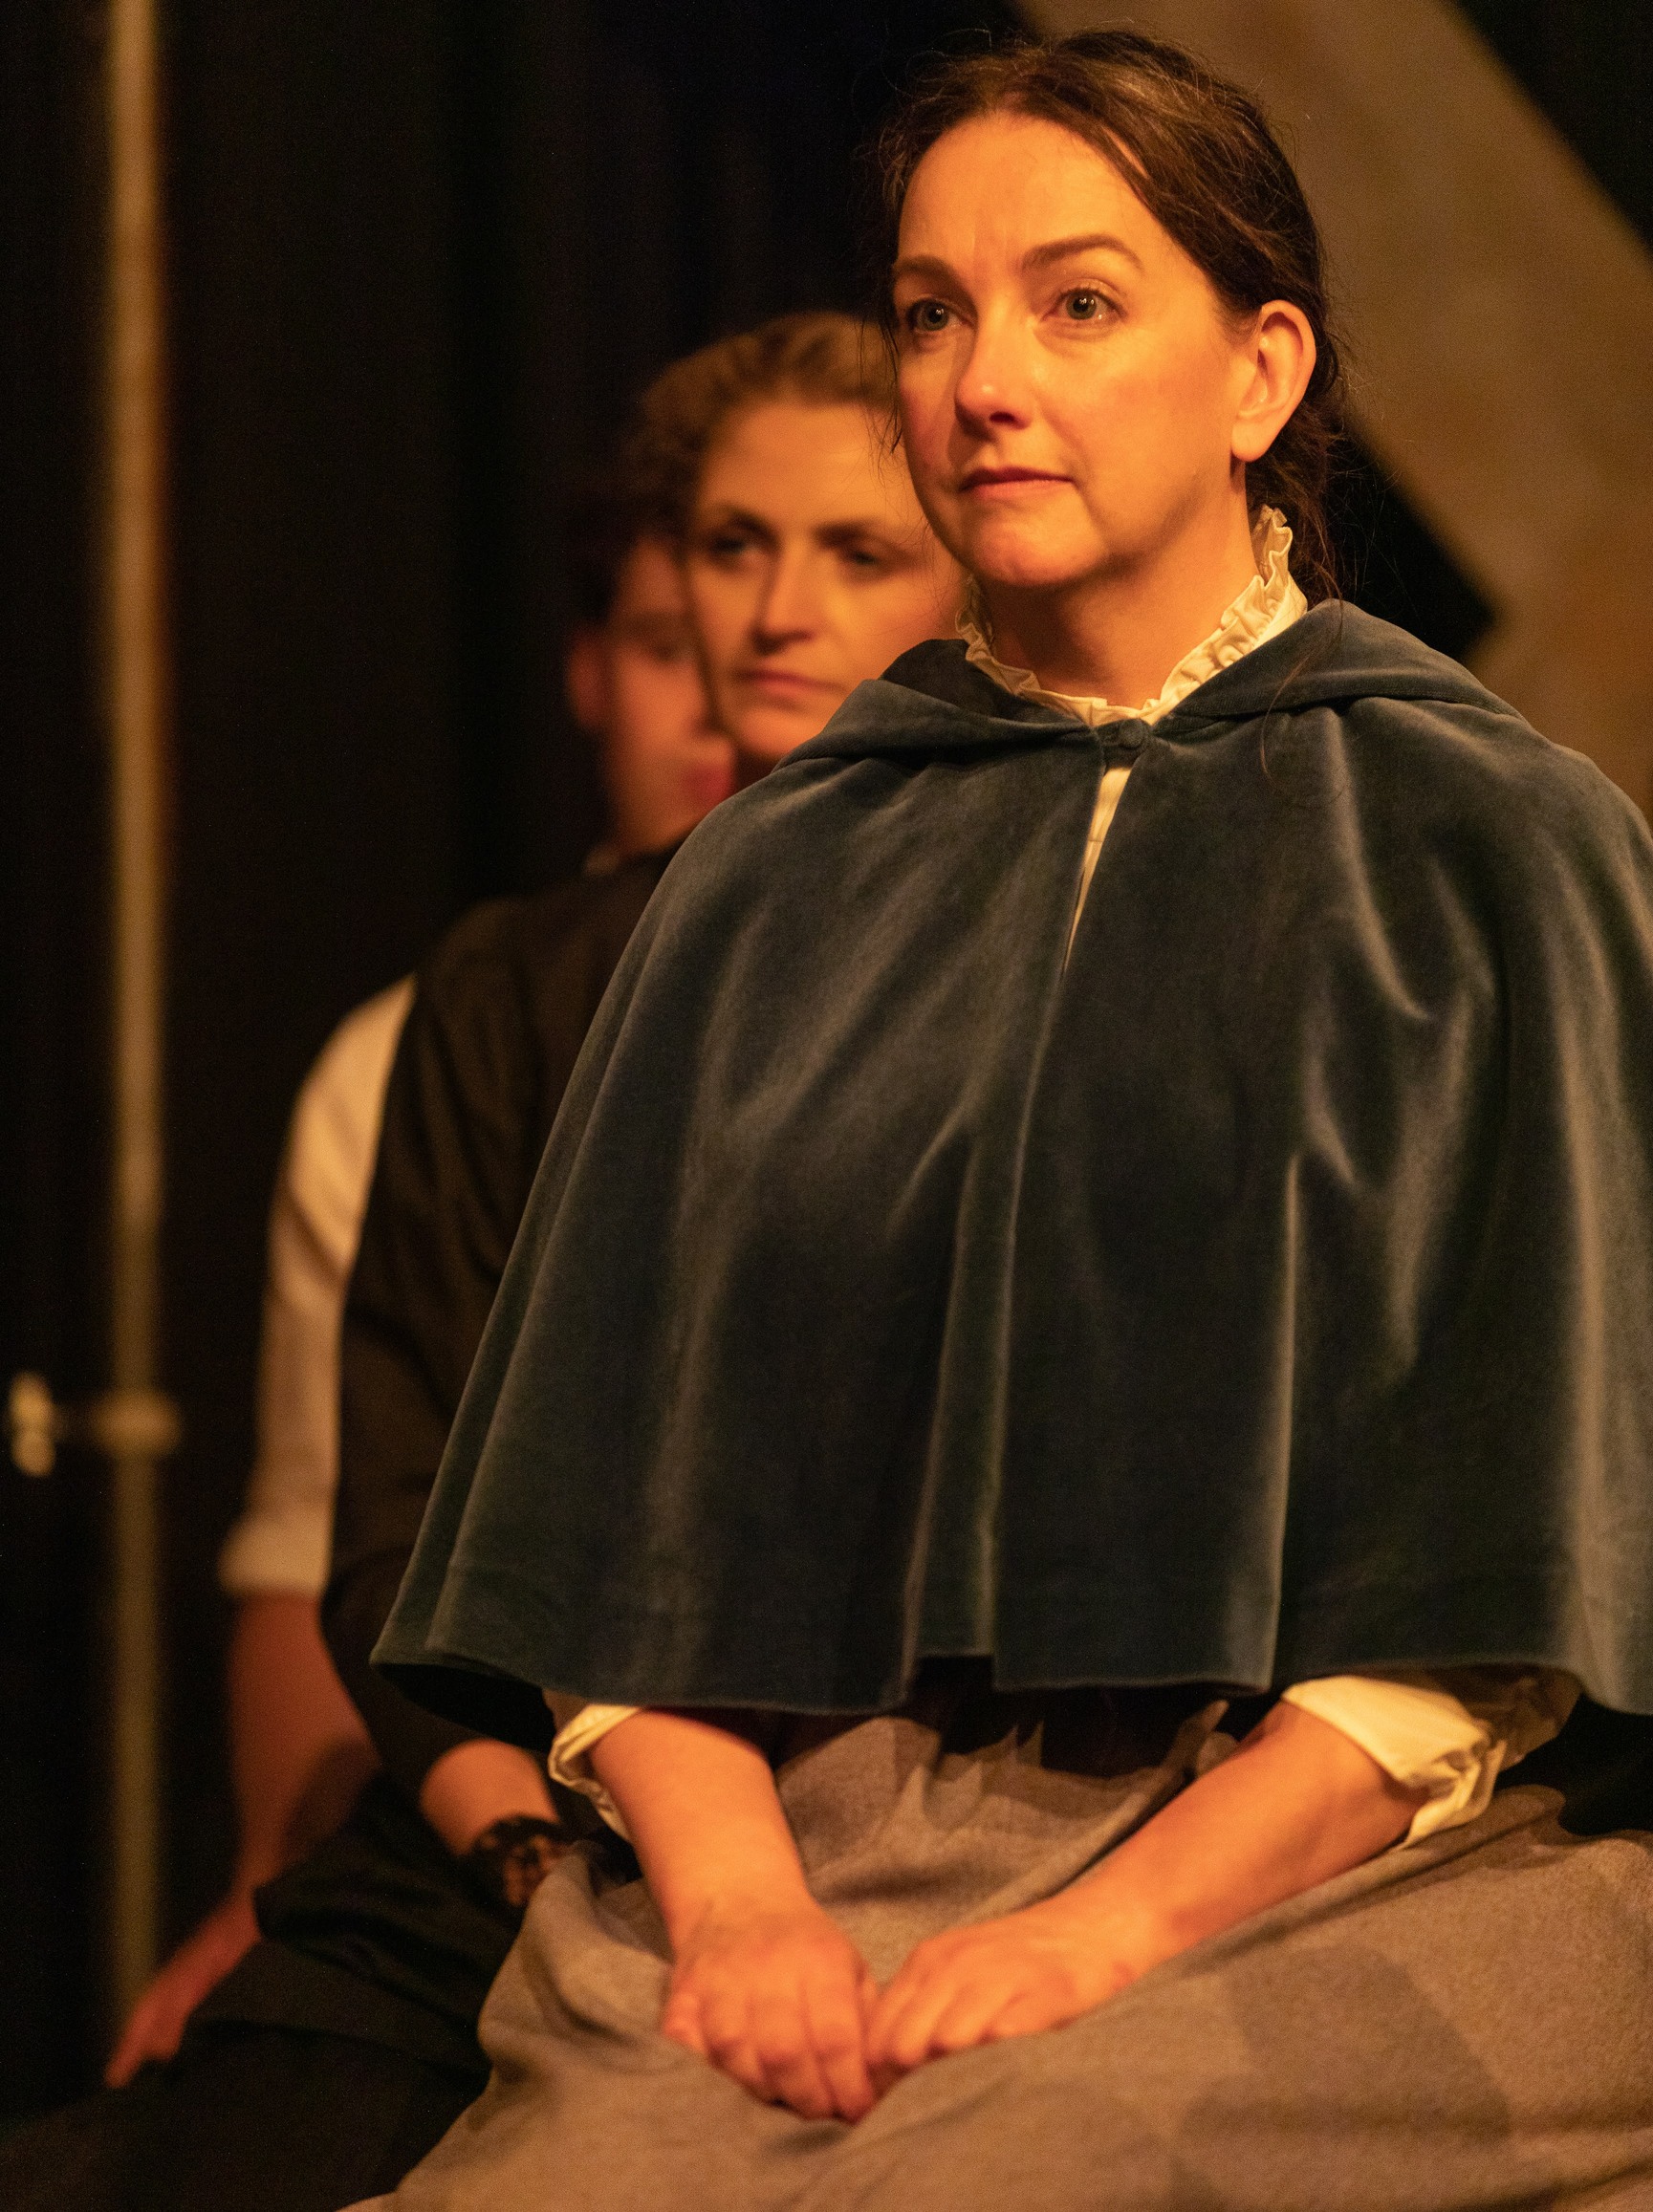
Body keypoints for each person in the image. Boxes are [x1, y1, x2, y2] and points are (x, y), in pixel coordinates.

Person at [365, 31, 1653, 2212]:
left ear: (1257, 372)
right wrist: (741, 1909)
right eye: (932, 313)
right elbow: (611, 1544)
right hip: (788, 1843)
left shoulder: (1479, 845)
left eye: (1076, 304)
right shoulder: (776, 871)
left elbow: (1480, 1609)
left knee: (994, 2169)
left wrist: (1100, 1929)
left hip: (1342, 1855)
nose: (982, 383)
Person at [0, 458, 736, 2212]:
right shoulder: (441, 1034)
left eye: (851, 562)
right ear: (587, 669)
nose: (734, 676)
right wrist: (270, 1879)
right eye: (672, 632)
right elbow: (336, 1541)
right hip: (488, 1812)